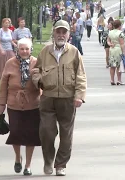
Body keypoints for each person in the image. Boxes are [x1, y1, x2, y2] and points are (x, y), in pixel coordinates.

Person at [32, 20, 87, 176]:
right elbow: (36, 70)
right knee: (46, 132)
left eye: (64, 32)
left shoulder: (74, 52)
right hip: (48, 98)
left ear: (69, 35)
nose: (61, 35)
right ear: (54, 33)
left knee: (66, 134)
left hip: (67, 99)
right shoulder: (45, 51)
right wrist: (39, 81)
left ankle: (60, 165)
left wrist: (79, 96)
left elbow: (81, 76)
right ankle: (48, 161)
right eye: (58, 32)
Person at [0, 38, 41, 176]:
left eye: (27, 49)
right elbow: (3, 85)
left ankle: (28, 165)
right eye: (22, 49)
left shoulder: (36, 63)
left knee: (31, 135)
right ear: (17, 50)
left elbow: (43, 83)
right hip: (14, 104)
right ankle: (18, 157)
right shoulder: (10, 63)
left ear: (31, 50)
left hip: (33, 104)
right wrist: (2, 104)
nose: (24, 51)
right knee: (15, 132)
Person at [107, 20, 125, 85]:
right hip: (118, 49)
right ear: (119, 26)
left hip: (112, 49)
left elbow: (108, 41)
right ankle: (119, 80)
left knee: (112, 65)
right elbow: (122, 43)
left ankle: (112, 79)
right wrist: (124, 52)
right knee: (119, 65)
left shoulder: (110, 32)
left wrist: (110, 44)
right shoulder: (120, 33)